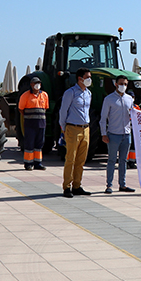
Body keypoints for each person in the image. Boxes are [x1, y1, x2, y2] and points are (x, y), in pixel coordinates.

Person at [59, 68, 93, 198]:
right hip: (72, 128)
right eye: (87, 77)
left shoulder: (88, 93)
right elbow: (63, 111)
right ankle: (67, 186)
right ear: (80, 78)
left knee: (81, 160)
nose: (90, 79)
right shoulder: (70, 92)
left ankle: (77, 185)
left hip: (86, 129)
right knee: (70, 159)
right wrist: (63, 127)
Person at [99, 75, 136, 194]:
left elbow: (133, 115)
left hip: (126, 134)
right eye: (121, 84)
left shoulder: (129, 99)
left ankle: (122, 185)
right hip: (113, 134)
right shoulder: (109, 99)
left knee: (123, 161)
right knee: (111, 160)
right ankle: (109, 185)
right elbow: (103, 118)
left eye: (125, 84)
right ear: (116, 84)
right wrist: (104, 134)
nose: (123, 86)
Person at [17, 77, 48, 171]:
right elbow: (21, 109)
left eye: (39, 83)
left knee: (39, 144)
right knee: (29, 144)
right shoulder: (25, 95)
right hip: (30, 124)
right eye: (35, 83)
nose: (37, 85)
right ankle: (28, 163)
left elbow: (45, 108)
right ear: (31, 84)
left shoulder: (44, 95)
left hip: (41, 123)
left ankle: (38, 163)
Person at [126, 90, 140, 169]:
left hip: (134, 127)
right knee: (127, 144)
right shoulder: (125, 105)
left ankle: (132, 161)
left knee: (133, 146)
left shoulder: (136, 107)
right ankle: (126, 161)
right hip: (127, 126)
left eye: (133, 97)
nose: (132, 98)